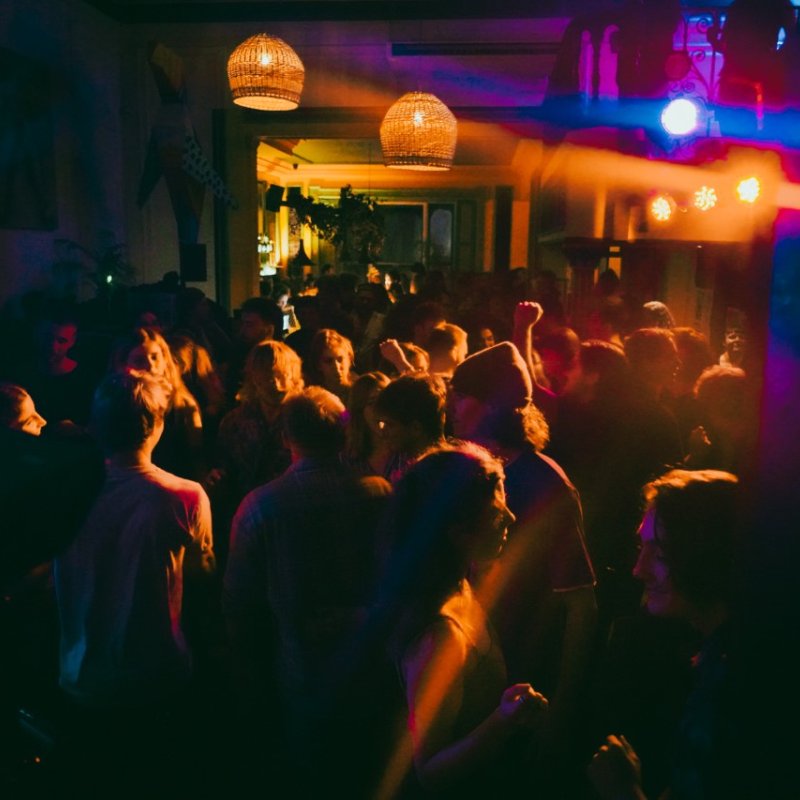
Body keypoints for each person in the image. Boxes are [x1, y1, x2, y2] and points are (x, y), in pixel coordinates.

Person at [223, 387, 392, 794]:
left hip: (302, 667)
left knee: (314, 774)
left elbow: (238, 600)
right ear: (343, 436)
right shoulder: (380, 491)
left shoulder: (261, 505)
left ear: (286, 438)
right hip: (372, 662)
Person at [53, 371, 214, 791]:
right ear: (157, 425)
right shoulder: (184, 495)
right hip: (157, 671)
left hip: (81, 672)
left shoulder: (64, 490)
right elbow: (203, 574)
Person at [450, 342, 597, 787]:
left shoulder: (544, 484)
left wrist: (563, 711)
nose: (452, 405)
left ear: (484, 406)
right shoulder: (471, 470)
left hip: (525, 677)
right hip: (476, 673)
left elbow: (581, 605)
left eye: (460, 394)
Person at [375, 443, 548, 798]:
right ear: (458, 534)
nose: (512, 519)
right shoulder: (440, 639)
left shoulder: (457, 582)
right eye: (497, 515)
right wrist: (502, 721)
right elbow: (430, 771)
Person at [588, 469, 744, 800]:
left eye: (658, 553)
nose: (638, 569)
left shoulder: (740, 684)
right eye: (641, 548)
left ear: (704, 553)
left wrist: (624, 792)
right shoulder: (717, 651)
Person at [115, 326, 204, 480]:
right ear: (124, 364)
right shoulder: (116, 401)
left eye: (155, 357)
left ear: (165, 359)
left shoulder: (183, 405)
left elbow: (196, 455)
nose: (150, 366)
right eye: (139, 360)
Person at [343, 371, 403, 479]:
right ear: (360, 411)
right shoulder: (349, 458)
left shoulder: (405, 452)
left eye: (385, 400)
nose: (380, 408)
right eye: (372, 402)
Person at [305, 328, 357, 406]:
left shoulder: (362, 389)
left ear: (349, 358)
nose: (337, 367)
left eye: (340, 359)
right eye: (328, 361)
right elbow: (345, 418)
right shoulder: (314, 397)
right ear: (318, 365)